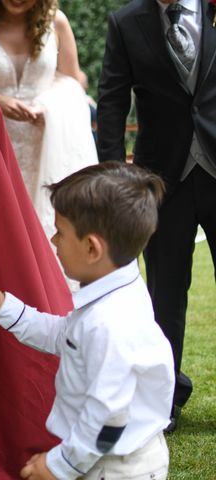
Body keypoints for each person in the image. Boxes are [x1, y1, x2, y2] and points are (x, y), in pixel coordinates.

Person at [0, 162, 174, 480]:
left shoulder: (111, 323)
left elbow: (108, 417)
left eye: (61, 233)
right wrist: (4, 307)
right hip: (98, 453)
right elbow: (61, 334)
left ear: (92, 248)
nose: (54, 241)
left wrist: (60, 465)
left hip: (116, 466)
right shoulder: (112, 293)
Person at [97, 0, 216, 432]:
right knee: (165, 295)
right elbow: (111, 102)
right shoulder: (125, 22)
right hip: (163, 181)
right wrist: (113, 179)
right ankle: (163, 399)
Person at [0, 0, 97, 244]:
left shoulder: (57, 22)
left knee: (44, 226)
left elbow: (72, 86)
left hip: (46, 146)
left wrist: (50, 109)